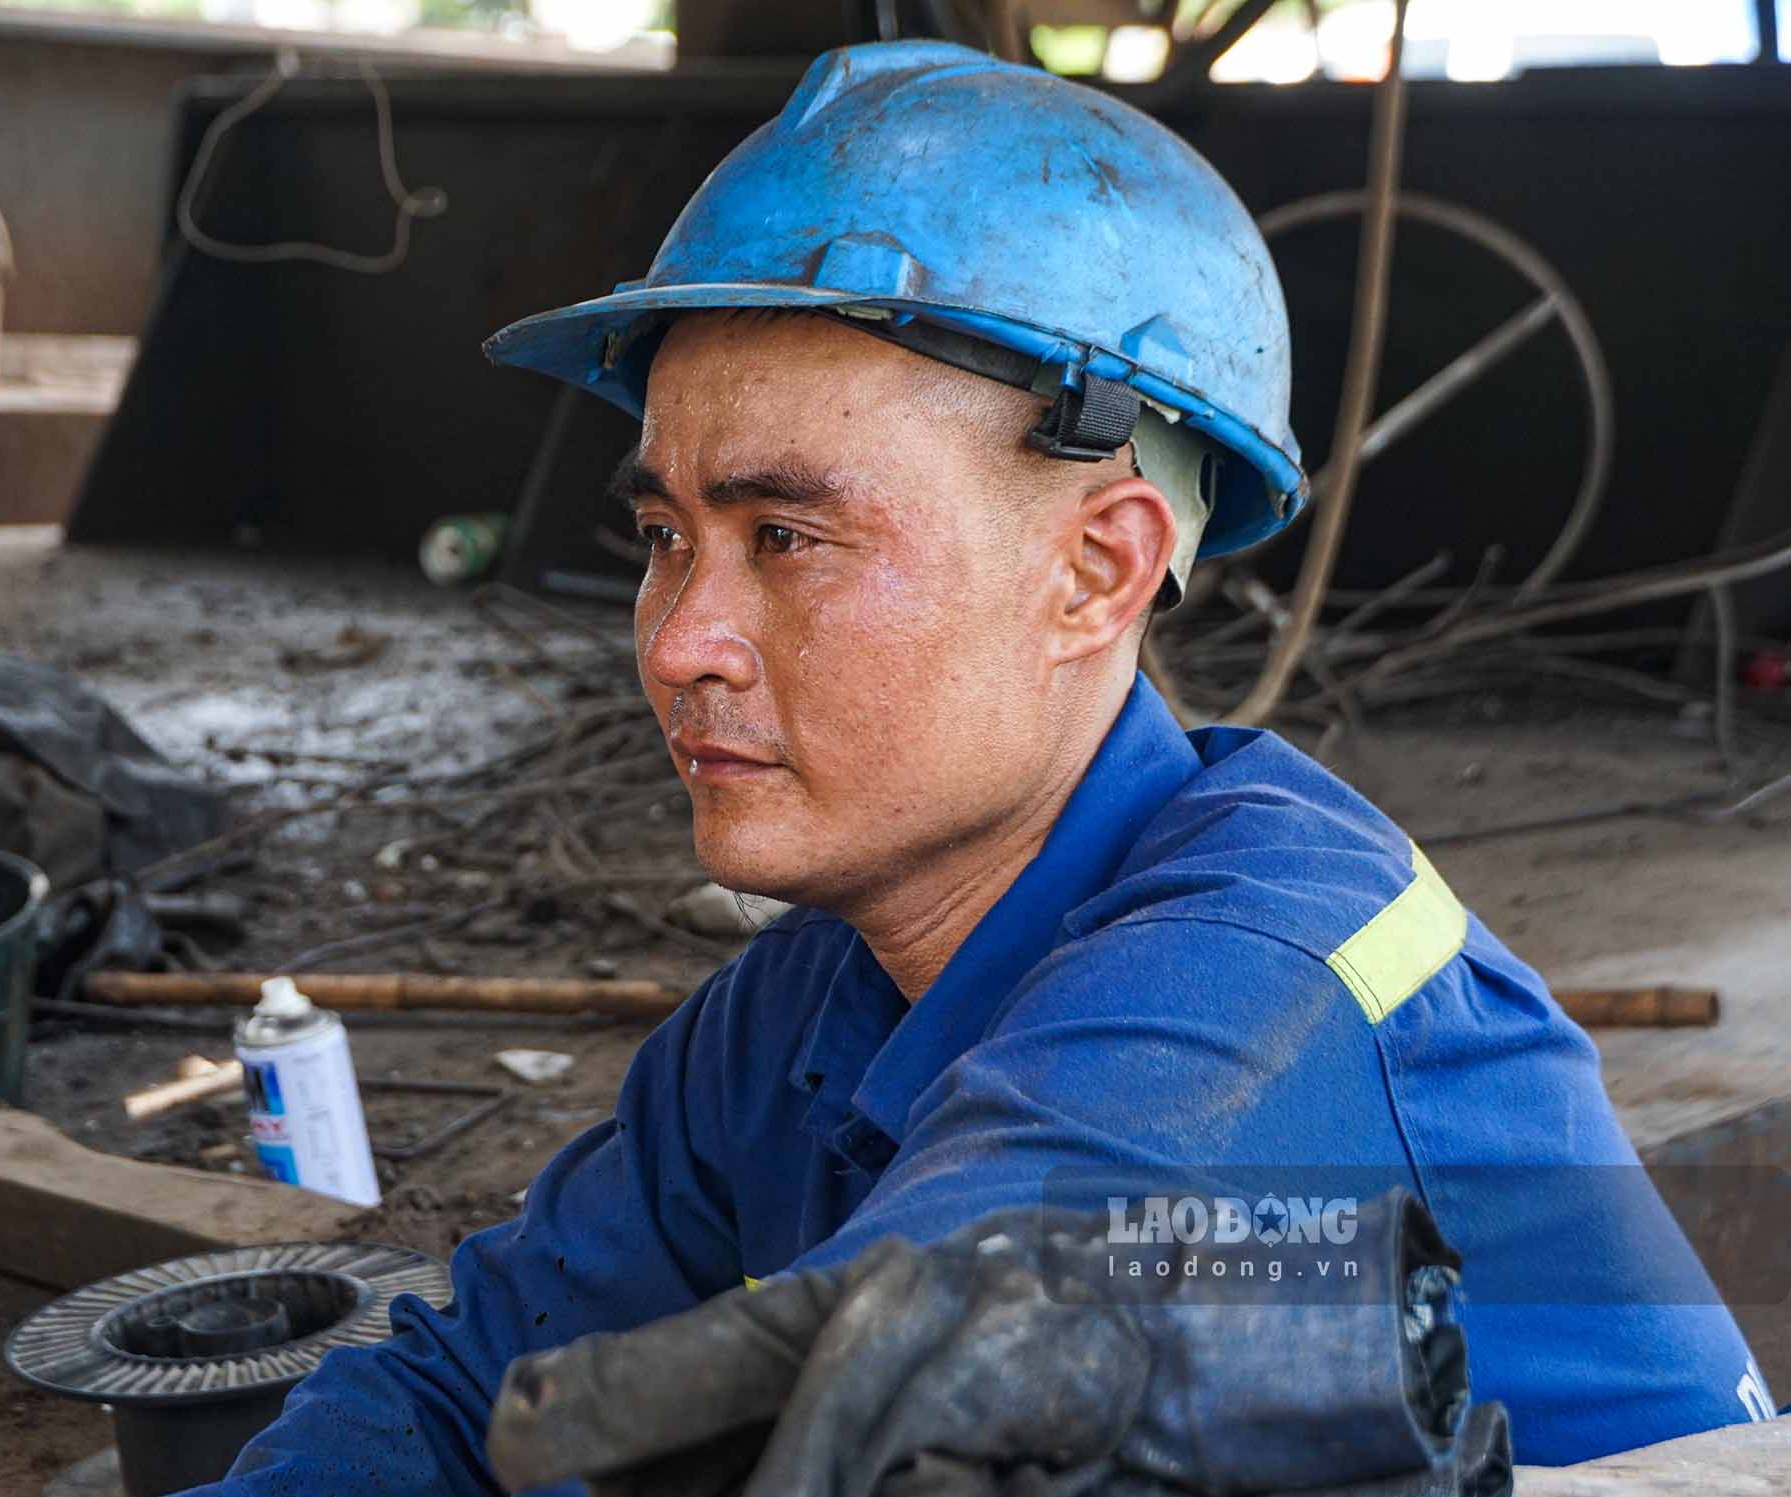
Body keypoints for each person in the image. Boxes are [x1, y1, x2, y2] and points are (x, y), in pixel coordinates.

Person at [193, 40, 1768, 1495]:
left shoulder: (1250, 984)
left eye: (787, 538)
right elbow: (460, 1385)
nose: (678, 641)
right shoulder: (804, 1005)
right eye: (665, 537)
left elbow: (929, 1348)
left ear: (1096, 570)